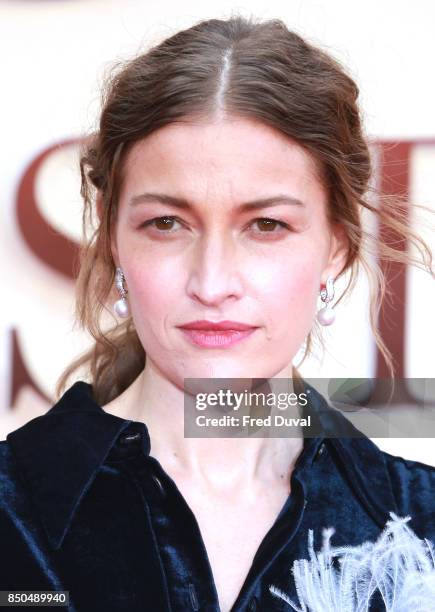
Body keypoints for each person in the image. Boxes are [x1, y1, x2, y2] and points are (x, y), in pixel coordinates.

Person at [2, 14, 435, 612]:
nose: (212, 283)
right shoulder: (12, 510)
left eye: (266, 225)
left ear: (336, 245)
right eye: (166, 223)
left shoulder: (421, 529)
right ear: (110, 236)